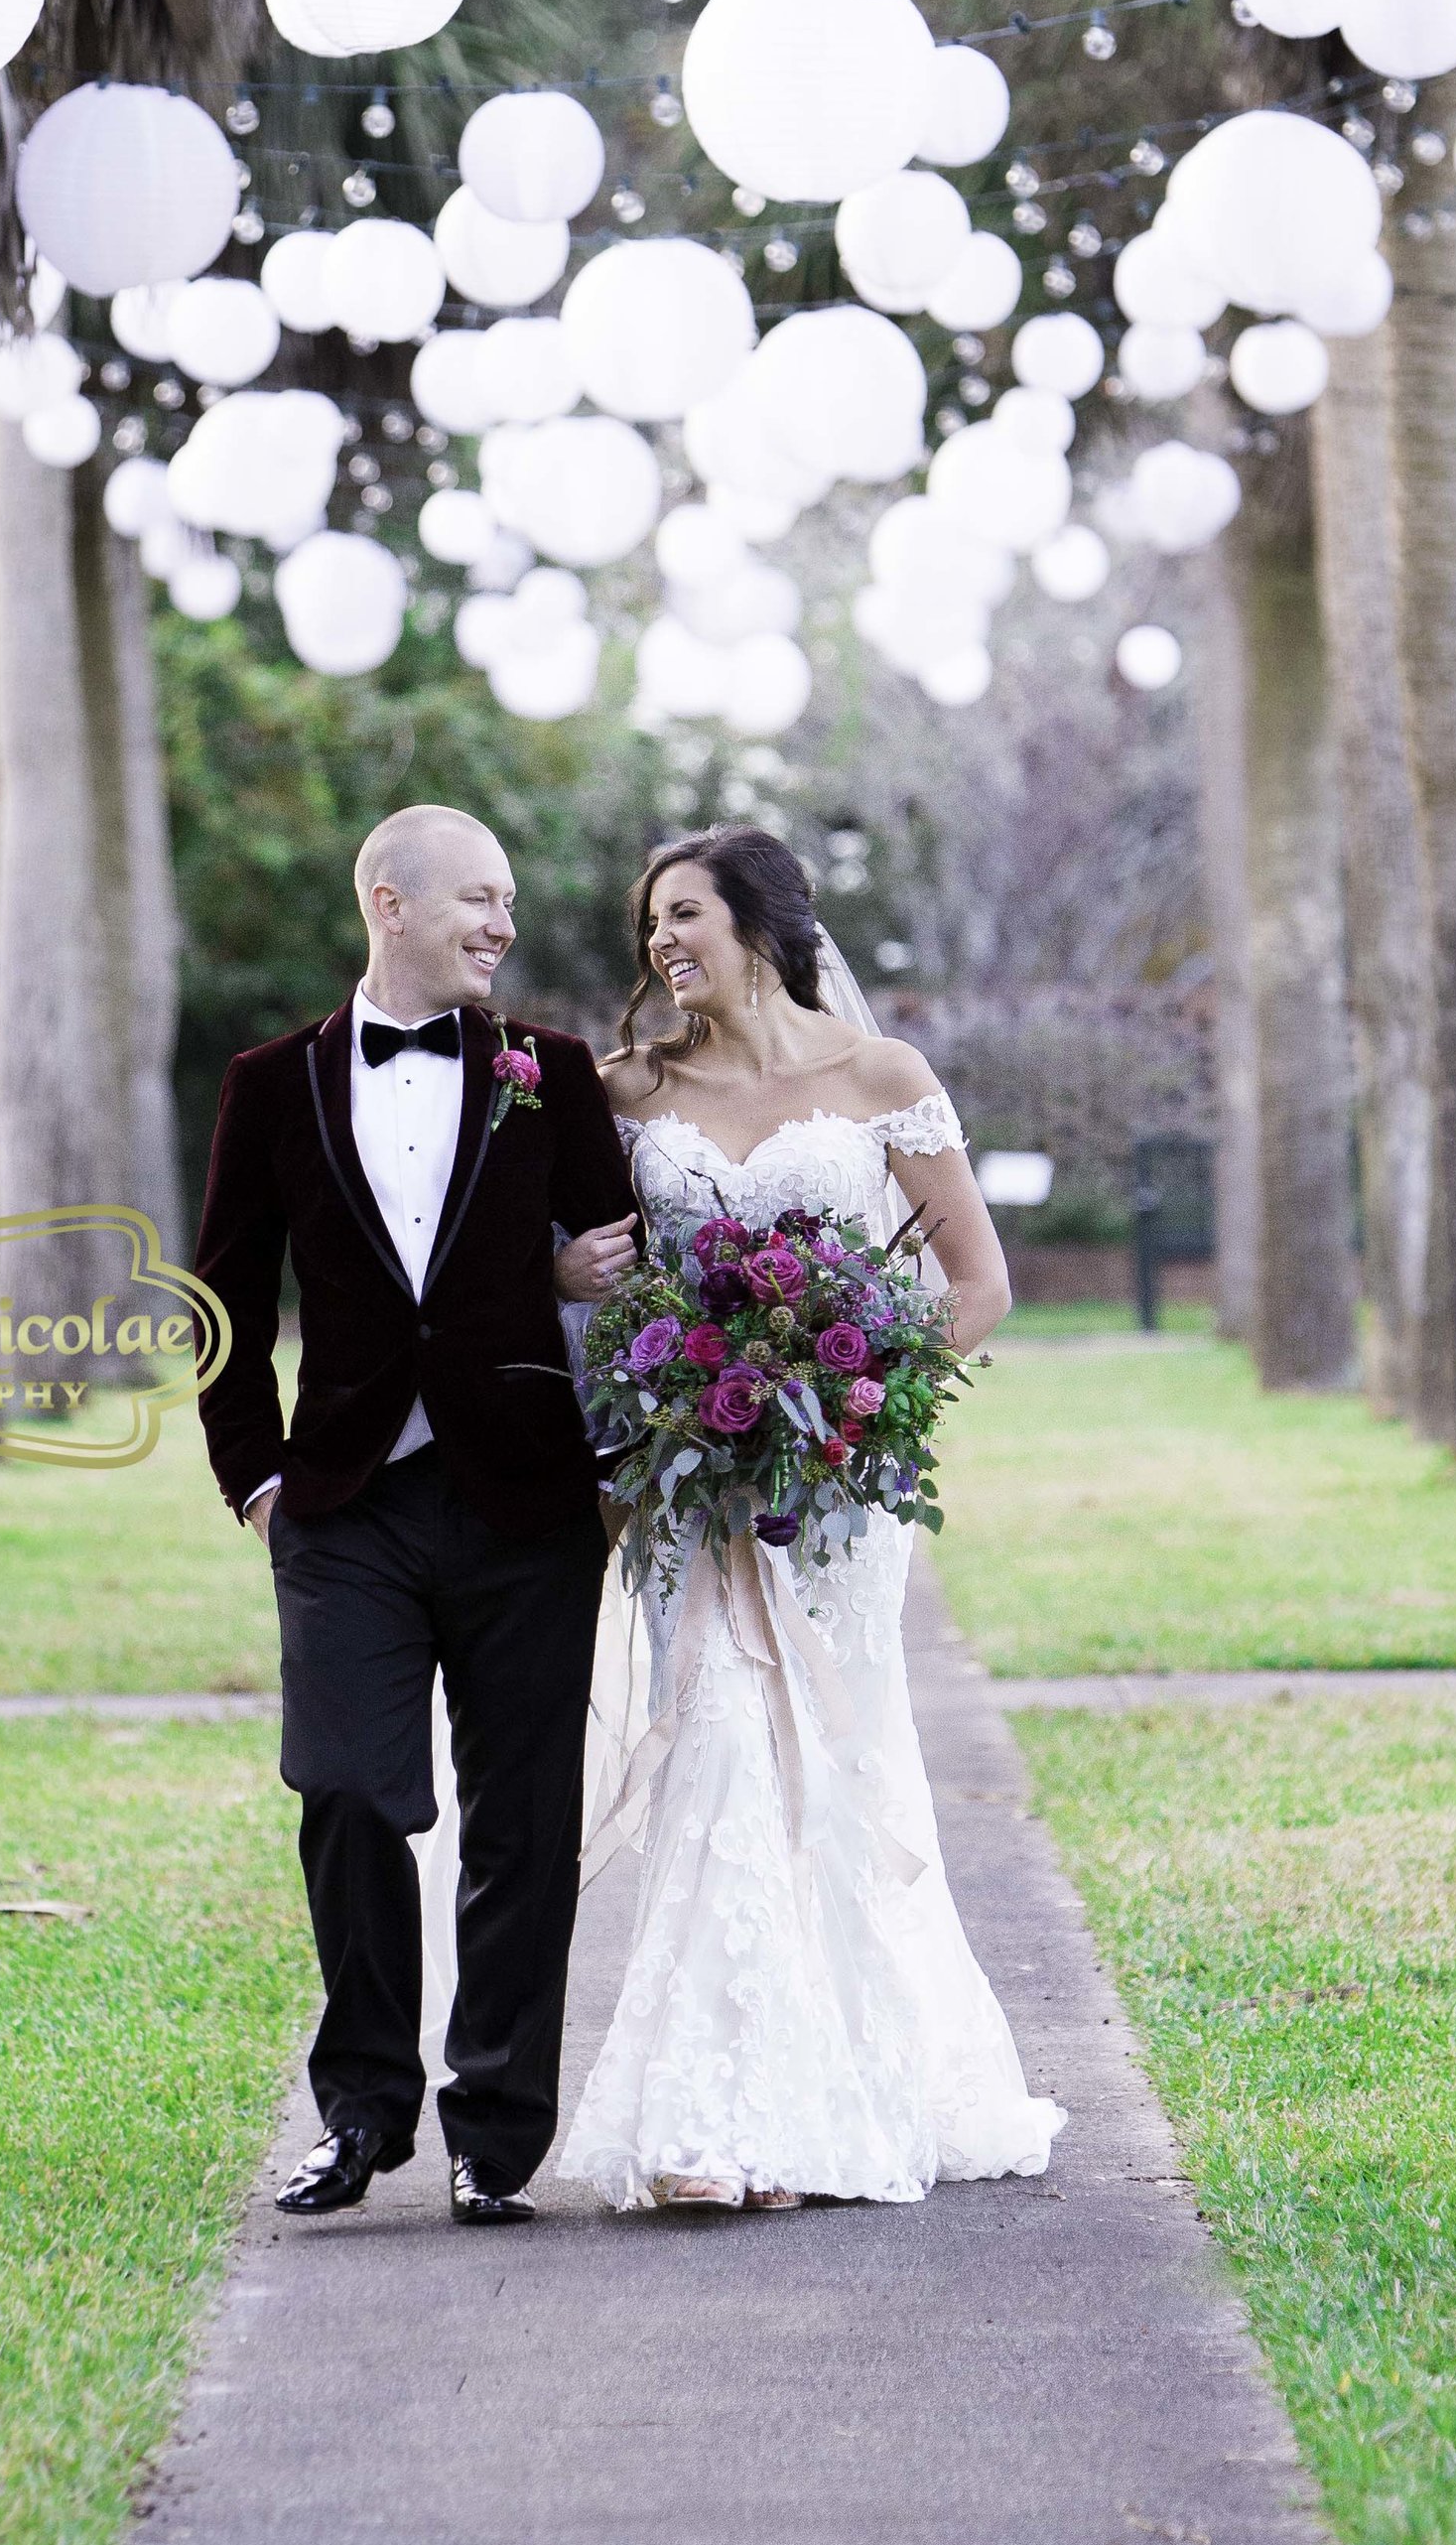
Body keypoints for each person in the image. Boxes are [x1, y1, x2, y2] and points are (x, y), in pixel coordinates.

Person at [558, 826, 1067, 2211]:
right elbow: (559, 1273)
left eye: (686, 915)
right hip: (698, 1488)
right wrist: (627, 1344)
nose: (664, 943)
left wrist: (856, 1407)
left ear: (761, 923)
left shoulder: (881, 1080)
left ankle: (851, 2075)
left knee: (837, 1759)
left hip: (836, 1502)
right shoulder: (620, 1092)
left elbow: (977, 1284)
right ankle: (716, 2117)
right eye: (650, 922)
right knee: (722, 1732)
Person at [194, 805, 638, 2227]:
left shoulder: (550, 1073)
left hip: (525, 1497)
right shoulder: (272, 1084)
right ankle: (363, 2111)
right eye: (481, 901)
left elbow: (619, 1265)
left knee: (523, 1817)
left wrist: (582, 1302)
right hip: (341, 1499)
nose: (503, 926)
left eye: (507, 904)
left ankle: (493, 2135)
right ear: (389, 899)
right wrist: (254, 1473)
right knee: (341, 1785)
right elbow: (224, 1296)